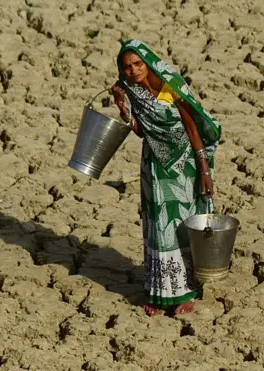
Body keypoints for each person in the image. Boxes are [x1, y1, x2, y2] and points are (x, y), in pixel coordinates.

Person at [110, 39, 222, 316]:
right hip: (155, 167)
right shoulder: (132, 92)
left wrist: (204, 171)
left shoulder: (170, 88)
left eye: (138, 64)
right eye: (127, 67)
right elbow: (140, 130)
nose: (134, 71)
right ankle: (160, 293)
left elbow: (192, 129)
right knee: (160, 227)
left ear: (148, 64)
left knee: (186, 225)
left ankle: (189, 290)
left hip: (184, 165)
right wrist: (121, 105)